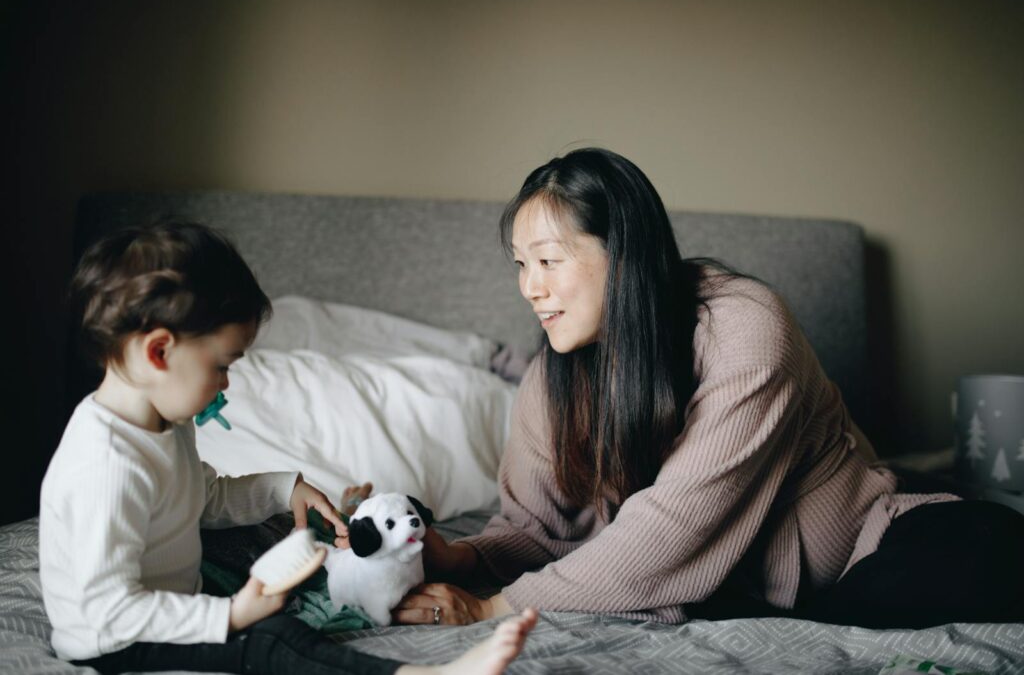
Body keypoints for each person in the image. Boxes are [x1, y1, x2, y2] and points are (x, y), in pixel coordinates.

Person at [395, 147, 1024, 630]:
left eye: (549, 260)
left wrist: (494, 610)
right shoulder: (552, 374)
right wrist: (466, 561)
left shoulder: (744, 325)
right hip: (747, 598)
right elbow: (536, 531)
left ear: (624, 254)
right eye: (520, 264)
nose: (530, 287)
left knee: (988, 559)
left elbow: (672, 525)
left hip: (877, 551)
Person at [39, 221, 537, 675]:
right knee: (273, 641)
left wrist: (285, 489)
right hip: (120, 642)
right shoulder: (105, 465)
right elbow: (105, 613)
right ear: (159, 351)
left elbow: (202, 495)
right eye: (222, 366)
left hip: (172, 602)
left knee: (272, 551)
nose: (227, 384)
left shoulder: (164, 424)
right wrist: (230, 615)